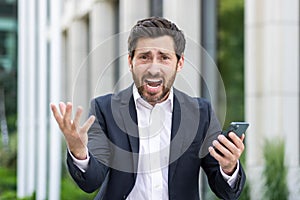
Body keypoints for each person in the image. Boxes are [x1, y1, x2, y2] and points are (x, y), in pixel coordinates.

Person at [51, 16, 246, 200]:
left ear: (180, 63)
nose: (154, 68)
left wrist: (229, 167)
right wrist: (78, 152)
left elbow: (226, 192)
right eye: (144, 57)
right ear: (130, 62)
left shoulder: (200, 113)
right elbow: (91, 181)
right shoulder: (105, 109)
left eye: (164, 57)